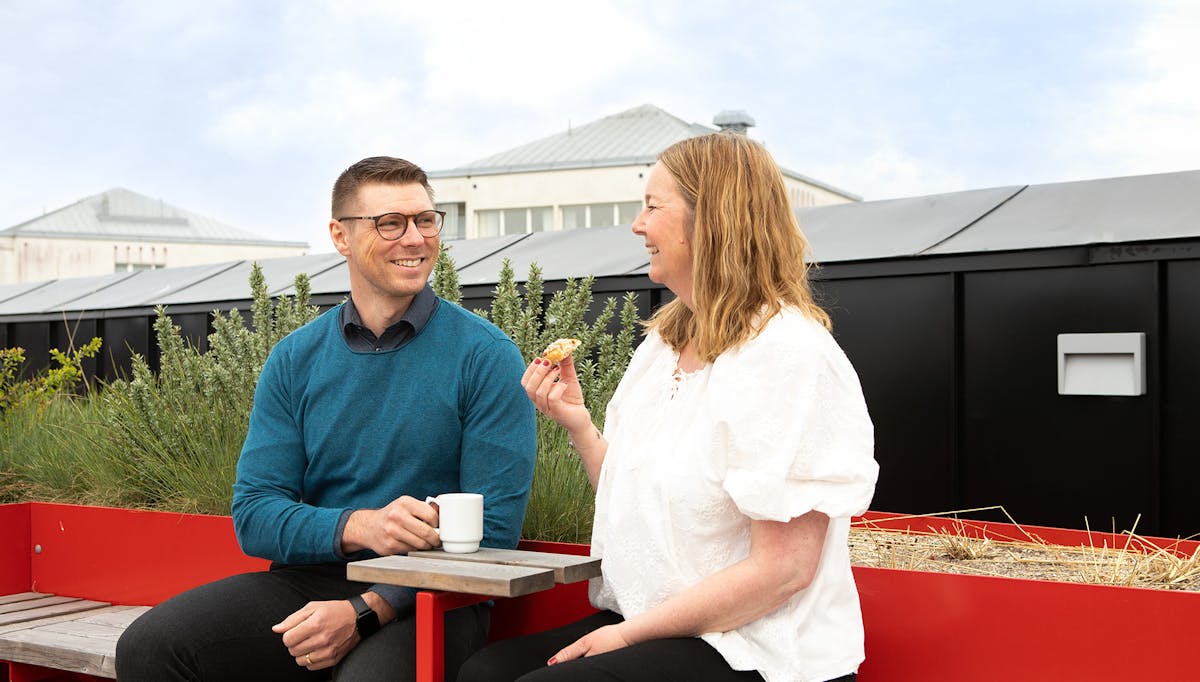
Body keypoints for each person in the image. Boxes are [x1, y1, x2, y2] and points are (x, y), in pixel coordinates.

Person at [460, 132, 878, 682]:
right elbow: (640, 499)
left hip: (756, 646)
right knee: (484, 672)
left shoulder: (788, 354)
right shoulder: (660, 349)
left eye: (653, 206)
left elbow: (786, 570)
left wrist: (627, 635)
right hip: (655, 622)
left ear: (713, 220)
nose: (637, 224)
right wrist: (581, 427)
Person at [116, 156, 537, 681]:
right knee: (149, 648)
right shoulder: (295, 358)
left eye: (426, 220)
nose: (415, 239)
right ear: (340, 235)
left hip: (436, 593)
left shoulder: (486, 355)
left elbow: (494, 529)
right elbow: (255, 515)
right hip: (307, 582)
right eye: (390, 223)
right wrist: (361, 525)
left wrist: (367, 609)